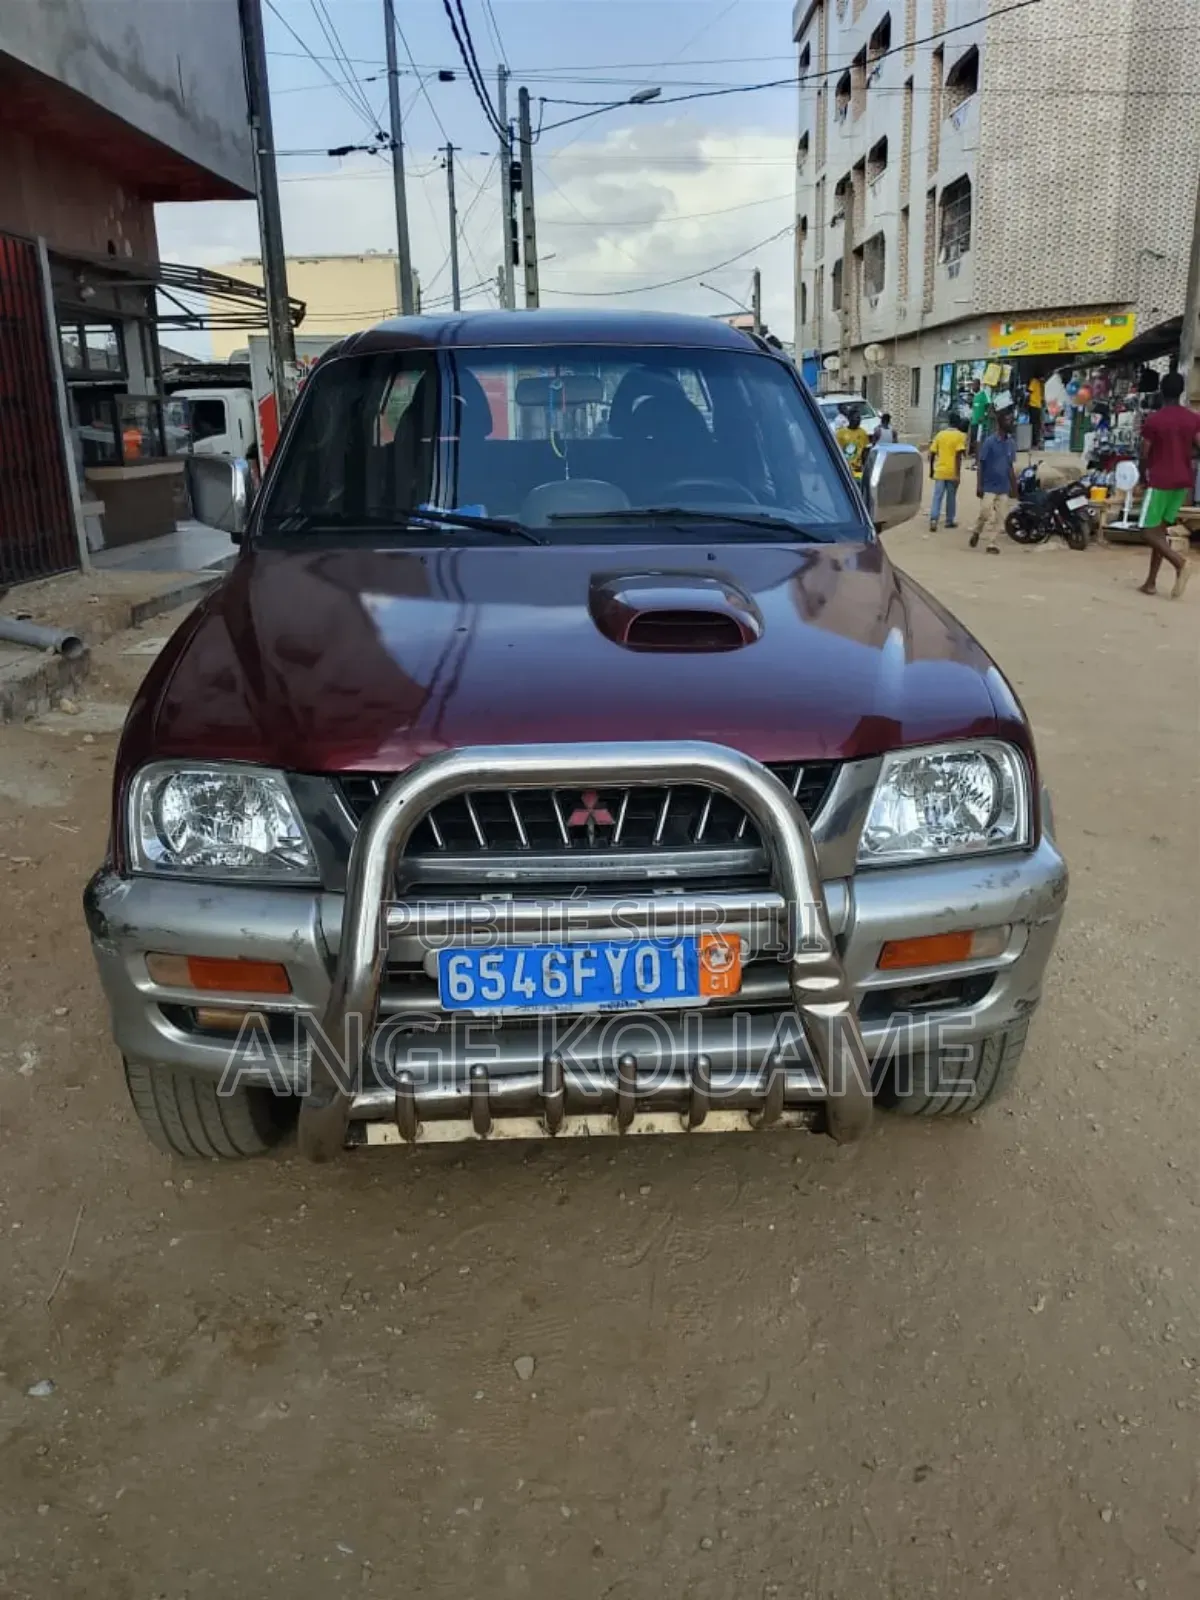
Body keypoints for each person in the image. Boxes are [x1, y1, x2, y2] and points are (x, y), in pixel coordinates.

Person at [1136, 369, 1198, 599]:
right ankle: (1151, 582)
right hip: (1182, 481)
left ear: (1161, 392)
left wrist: (1143, 477)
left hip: (1160, 479)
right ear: (1182, 392)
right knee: (1159, 532)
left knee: (1146, 532)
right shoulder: (1193, 418)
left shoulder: (1155, 420)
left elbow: (1145, 452)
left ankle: (1179, 563)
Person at [970, 405, 1018, 554]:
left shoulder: (1011, 443)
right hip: (989, 485)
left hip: (1003, 486)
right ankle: (977, 531)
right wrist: (979, 485)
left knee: (1001, 517)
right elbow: (981, 463)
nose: (1011, 423)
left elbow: (1010, 466)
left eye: (1012, 420)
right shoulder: (990, 442)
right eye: (1008, 420)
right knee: (985, 511)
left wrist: (1014, 486)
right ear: (1000, 422)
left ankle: (992, 543)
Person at [928, 412, 967, 530]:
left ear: (949, 422)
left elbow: (932, 453)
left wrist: (931, 470)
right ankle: (949, 520)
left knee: (937, 496)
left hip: (939, 471)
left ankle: (934, 519)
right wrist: (957, 474)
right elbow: (958, 457)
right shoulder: (960, 436)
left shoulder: (940, 435)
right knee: (951, 497)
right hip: (952, 472)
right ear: (958, 423)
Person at [835, 407, 871, 478]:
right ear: (849, 418)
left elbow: (865, 452)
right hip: (846, 470)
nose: (858, 420)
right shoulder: (840, 433)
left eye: (859, 418)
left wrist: (866, 468)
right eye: (856, 418)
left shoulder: (863, 433)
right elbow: (837, 451)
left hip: (859, 471)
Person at [967, 379, 989, 460]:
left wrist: (984, 415)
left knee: (979, 441)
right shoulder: (974, 396)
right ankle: (975, 456)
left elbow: (988, 407)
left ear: (979, 385)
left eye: (974, 385)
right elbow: (974, 408)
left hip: (981, 423)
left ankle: (980, 458)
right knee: (974, 441)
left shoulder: (983, 395)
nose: (973, 387)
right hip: (974, 422)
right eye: (972, 385)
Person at [1027, 374, 1044, 447]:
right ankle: (1036, 441)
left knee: (1032, 424)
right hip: (1038, 406)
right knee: (1037, 424)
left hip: (1033, 405)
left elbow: (1030, 390)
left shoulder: (1034, 381)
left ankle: (1033, 441)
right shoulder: (1042, 383)